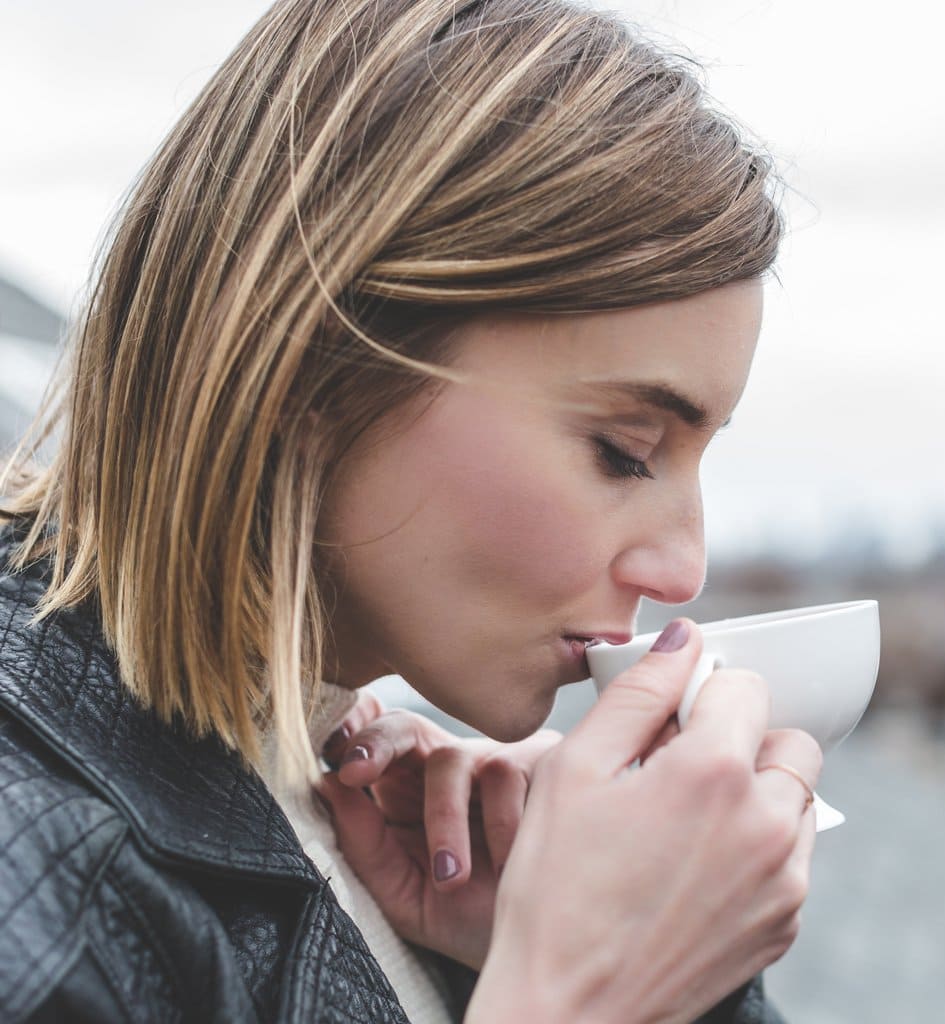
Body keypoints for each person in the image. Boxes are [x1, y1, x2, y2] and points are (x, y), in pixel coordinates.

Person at [0, 1, 822, 1020]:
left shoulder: (369, 827)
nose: (683, 566)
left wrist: (562, 949)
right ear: (313, 369)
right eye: (626, 451)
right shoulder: (38, 890)